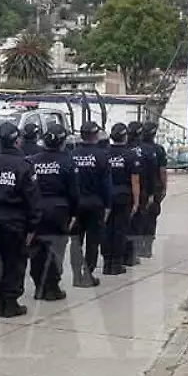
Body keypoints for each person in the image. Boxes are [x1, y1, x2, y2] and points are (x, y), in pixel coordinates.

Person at [0, 122, 41, 317]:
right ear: (17, 141)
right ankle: (10, 303)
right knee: (15, 262)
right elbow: (32, 198)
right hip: (16, 221)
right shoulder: (24, 166)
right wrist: (33, 225)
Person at [28, 122, 78, 301]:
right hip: (59, 211)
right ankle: (52, 287)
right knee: (56, 249)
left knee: (37, 249)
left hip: (36, 209)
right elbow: (74, 192)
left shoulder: (32, 161)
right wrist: (73, 213)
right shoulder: (68, 162)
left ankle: (39, 287)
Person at [68, 121, 112, 287]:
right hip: (95, 204)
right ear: (95, 135)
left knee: (75, 241)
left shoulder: (72, 155)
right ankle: (88, 274)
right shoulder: (102, 156)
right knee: (93, 241)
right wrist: (108, 205)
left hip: (76, 205)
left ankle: (76, 275)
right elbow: (106, 184)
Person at [103, 123, 141, 275]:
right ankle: (116, 263)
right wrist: (136, 201)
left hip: (106, 197)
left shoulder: (104, 154)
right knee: (120, 230)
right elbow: (135, 181)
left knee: (106, 229)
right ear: (125, 137)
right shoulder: (131, 155)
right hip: (124, 197)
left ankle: (106, 263)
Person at [132, 122, 168, 260]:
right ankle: (146, 248)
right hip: (152, 188)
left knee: (137, 219)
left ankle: (136, 248)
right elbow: (162, 171)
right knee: (151, 218)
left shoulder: (135, 149)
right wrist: (164, 187)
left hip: (138, 189)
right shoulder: (158, 150)